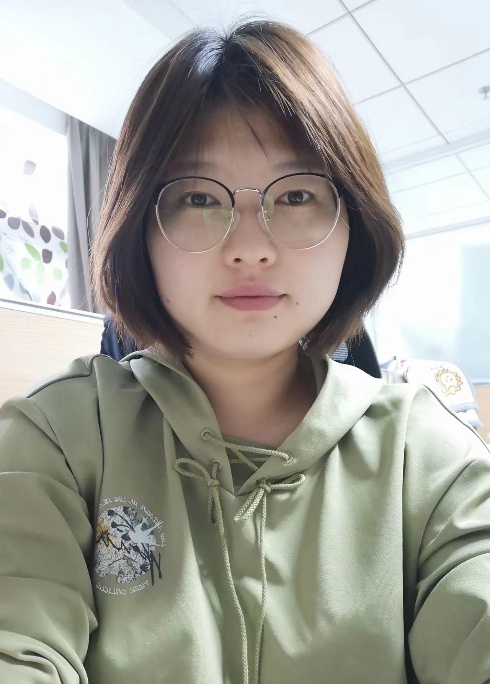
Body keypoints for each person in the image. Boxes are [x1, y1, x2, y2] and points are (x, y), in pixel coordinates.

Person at [0, 20, 489, 684]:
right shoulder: (57, 439)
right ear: (140, 230)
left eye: (297, 196)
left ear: (354, 225)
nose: (250, 248)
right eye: (199, 198)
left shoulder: (428, 457)